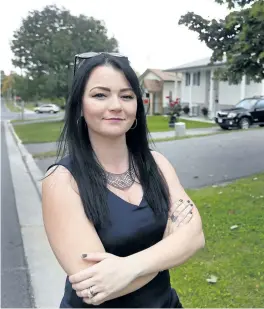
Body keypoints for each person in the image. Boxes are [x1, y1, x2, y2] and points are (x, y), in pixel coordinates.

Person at [41, 52, 205, 308]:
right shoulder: (62, 181)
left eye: (127, 96)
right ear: (79, 106)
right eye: (100, 95)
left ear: (137, 106)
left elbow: (195, 237)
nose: (116, 105)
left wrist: (128, 267)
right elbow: (95, 287)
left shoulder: (157, 164)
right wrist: (170, 246)